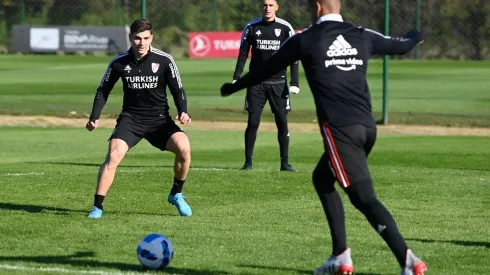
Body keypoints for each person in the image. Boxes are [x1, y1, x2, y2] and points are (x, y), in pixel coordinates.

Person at [221, 0, 428, 274]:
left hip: (340, 131)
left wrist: (234, 87)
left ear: (317, 7)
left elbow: (266, 69)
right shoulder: (361, 34)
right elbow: (401, 45)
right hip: (367, 128)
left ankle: (407, 259)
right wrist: (416, 35)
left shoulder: (306, 40)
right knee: (322, 178)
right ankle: (340, 255)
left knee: (363, 198)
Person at [85, 18, 192, 218]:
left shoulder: (165, 60)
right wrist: (94, 117)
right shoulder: (118, 63)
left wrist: (183, 110)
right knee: (114, 154)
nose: (141, 43)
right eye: (137, 38)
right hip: (131, 119)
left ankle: (176, 194)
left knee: (184, 148)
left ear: (151, 38)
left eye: (145, 38)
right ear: (130, 38)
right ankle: (97, 207)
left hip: (160, 120)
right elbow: (103, 90)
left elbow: (178, 89)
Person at [232, 0, 300, 172]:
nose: (267, 8)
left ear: (277, 7)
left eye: (271, 5)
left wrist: (295, 83)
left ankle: (285, 163)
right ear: (260, 7)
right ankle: (248, 163)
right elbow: (242, 54)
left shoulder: (285, 28)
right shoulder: (251, 27)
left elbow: (295, 56)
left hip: (279, 84)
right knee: (253, 122)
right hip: (256, 84)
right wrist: (237, 77)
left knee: (282, 122)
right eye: (264, 5)